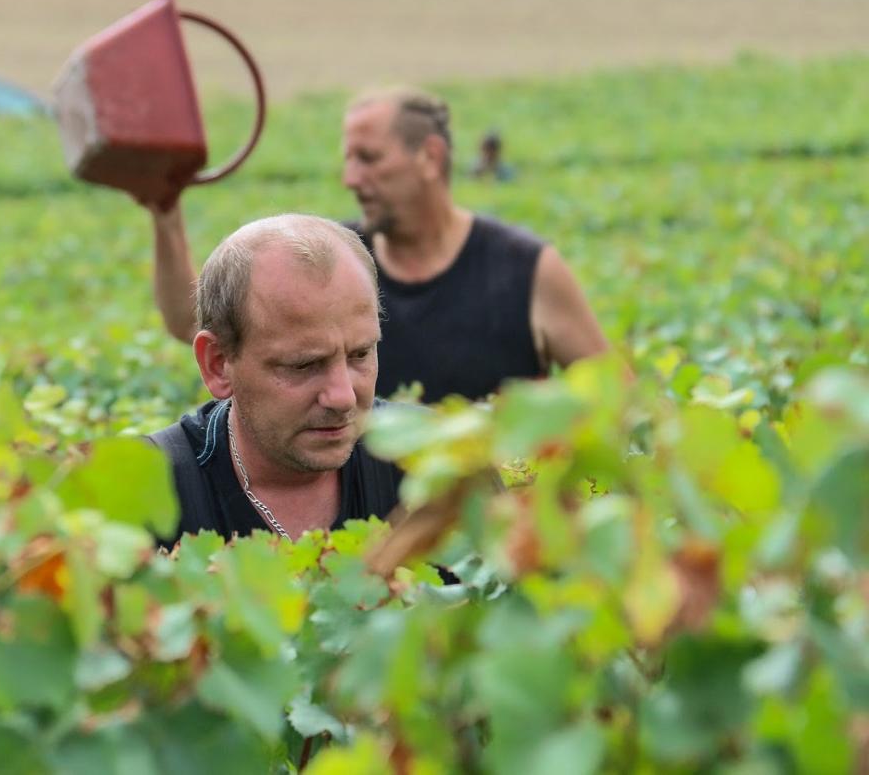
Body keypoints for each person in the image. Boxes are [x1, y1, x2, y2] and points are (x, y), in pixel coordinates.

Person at [140, 86, 608, 402]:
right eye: (348, 161)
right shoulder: (335, 264)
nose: (350, 179)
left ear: (430, 158)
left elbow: (617, 405)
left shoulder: (526, 271)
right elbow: (190, 322)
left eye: (368, 159)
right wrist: (166, 215)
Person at [149, 214, 402, 546]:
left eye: (360, 354)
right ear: (218, 364)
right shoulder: (144, 496)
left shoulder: (436, 468)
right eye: (304, 365)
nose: (343, 397)